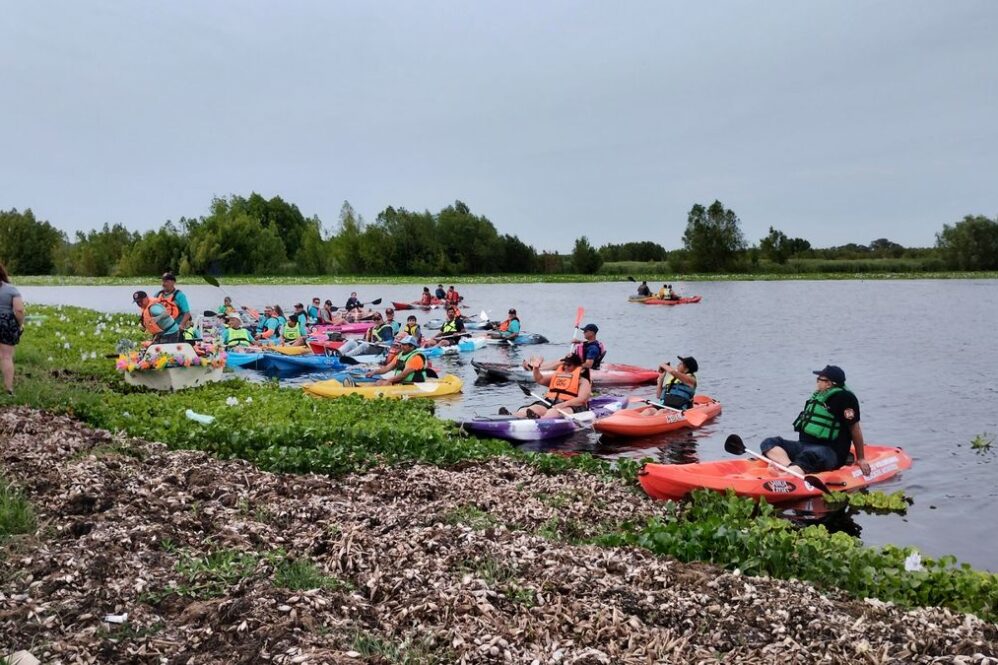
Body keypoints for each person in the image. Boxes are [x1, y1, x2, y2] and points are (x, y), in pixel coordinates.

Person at [760, 365, 871, 476]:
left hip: (830, 452)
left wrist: (861, 458)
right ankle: (789, 467)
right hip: (804, 446)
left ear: (829, 383)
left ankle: (785, 476)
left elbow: (854, 428)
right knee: (769, 442)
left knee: (809, 455)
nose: (817, 382)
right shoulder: (818, 397)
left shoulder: (845, 398)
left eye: (819, 379)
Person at [507, 353, 592, 419]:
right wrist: (536, 368)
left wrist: (563, 405)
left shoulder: (583, 381)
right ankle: (511, 416)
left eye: (569, 364)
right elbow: (539, 379)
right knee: (533, 408)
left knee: (553, 412)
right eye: (565, 363)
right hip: (551, 402)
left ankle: (540, 420)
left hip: (571, 406)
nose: (565, 366)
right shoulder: (556, 376)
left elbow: (581, 400)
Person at [0, 263, 26, 397]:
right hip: (5, 324)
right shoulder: (11, 290)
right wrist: (20, 324)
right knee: (6, 356)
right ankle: (9, 390)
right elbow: (19, 310)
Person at [366, 335, 431, 385]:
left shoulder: (416, 357)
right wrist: (374, 372)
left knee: (383, 383)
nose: (402, 346)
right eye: (402, 344)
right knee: (379, 382)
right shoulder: (400, 355)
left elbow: (403, 374)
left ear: (412, 347)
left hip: (414, 383)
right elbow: (386, 368)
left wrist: (388, 380)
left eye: (405, 344)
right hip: (403, 382)